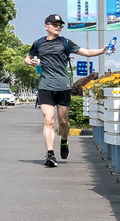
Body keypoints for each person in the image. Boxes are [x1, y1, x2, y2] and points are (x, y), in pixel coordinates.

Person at [24, 13, 106, 167]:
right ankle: (50, 154)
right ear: (46, 26)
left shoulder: (65, 43)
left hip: (62, 86)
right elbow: (27, 58)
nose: (58, 27)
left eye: (60, 25)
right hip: (45, 86)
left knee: (62, 121)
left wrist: (102, 50)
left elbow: (86, 52)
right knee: (49, 120)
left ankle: (64, 140)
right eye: (55, 25)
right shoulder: (38, 43)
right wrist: (31, 62)